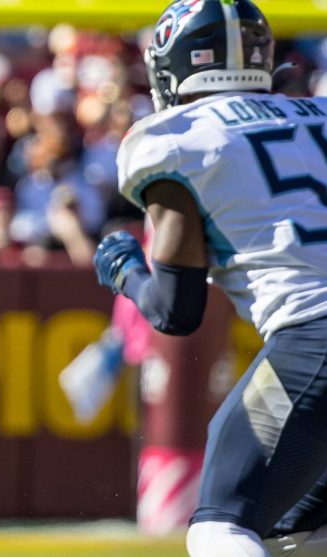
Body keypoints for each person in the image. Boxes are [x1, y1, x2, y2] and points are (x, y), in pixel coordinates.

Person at [92, 1, 327, 556]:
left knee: (220, 527)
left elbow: (177, 310)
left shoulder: (174, 138)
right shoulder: (318, 114)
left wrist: (125, 271)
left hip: (315, 333)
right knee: (298, 535)